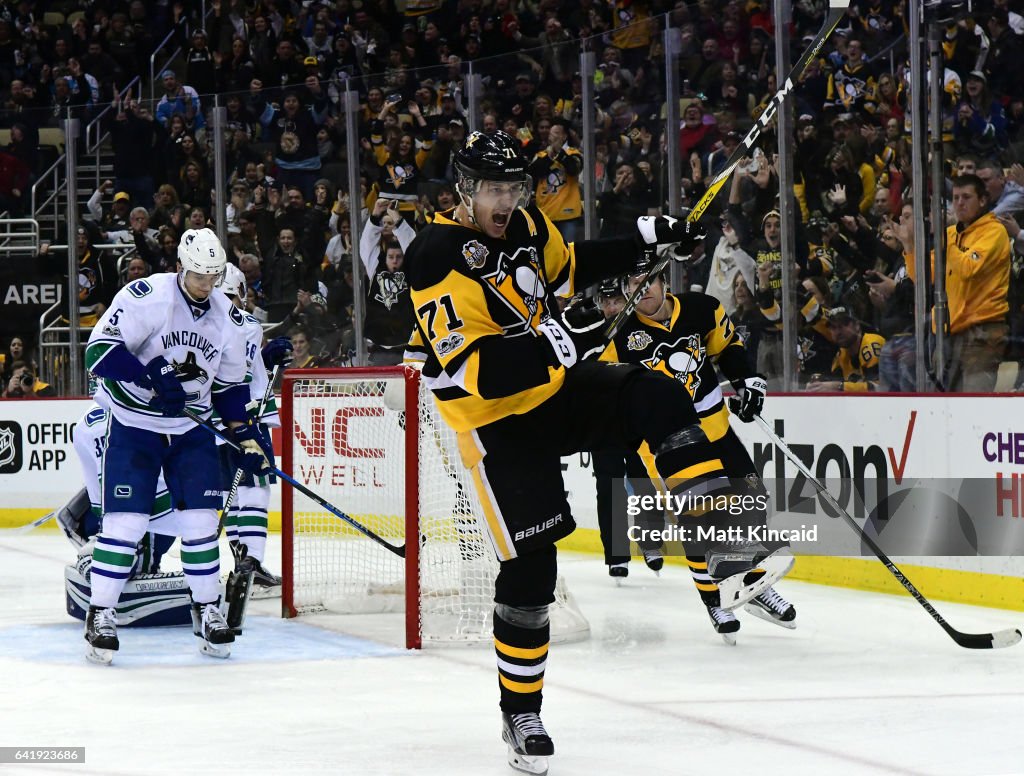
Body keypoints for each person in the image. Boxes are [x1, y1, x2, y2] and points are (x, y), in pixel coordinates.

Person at [403, 130, 780, 774]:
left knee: (656, 397)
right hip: (494, 423)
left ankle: (718, 538)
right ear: (464, 191)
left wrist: (649, 238)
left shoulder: (522, 223)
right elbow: (474, 371)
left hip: (553, 392)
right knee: (531, 569)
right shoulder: (435, 256)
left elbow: (572, 264)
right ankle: (521, 711)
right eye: (494, 188)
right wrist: (558, 339)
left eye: (514, 187)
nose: (507, 199)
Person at [81, 227, 273, 664]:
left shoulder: (226, 315)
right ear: (181, 268)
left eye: (213, 276)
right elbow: (98, 351)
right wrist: (149, 374)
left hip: (192, 429)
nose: (207, 285)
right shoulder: (146, 296)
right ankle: (101, 614)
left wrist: (243, 434)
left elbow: (227, 387)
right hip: (134, 427)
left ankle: (207, 610)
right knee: (126, 525)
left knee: (202, 523)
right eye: (199, 276)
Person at [601, 254, 796, 642]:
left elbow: (726, 349)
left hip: (715, 427)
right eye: (632, 286)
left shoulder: (701, 308)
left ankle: (752, 586)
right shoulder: (618, 337)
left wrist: (748, 381)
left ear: (663, 281)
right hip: (663, 443)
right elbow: (608, 392)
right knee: (701, 517)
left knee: (752, 501)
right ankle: (716, 602)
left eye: (647, 281)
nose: (642, 292)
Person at [217, 265, 291, 630]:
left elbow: (244, 370)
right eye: (223, 295)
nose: (227, 303)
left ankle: (247, 566)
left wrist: (266, 358)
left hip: (243, 415)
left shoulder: (247, 325)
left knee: (248, 493)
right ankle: (250, 565)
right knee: (247, 493)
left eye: (232, 296)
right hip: (231, 418)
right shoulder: (222, 324)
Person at [902, 174, 1011, 391]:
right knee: (939, 404)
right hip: (949, 331)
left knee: (973, 405)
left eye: (966, 197)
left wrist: (944, 239)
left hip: (982, 333)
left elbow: (968, 269)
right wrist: (909, 246)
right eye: (956, 197)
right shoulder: (951, 234)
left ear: (982, 200)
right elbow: (923, 277)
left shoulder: (994, 232)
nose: (960, 203)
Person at [806, 307, 886, 391]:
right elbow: (833, 382)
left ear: (857, 325)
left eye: (843, 325)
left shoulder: (872, 344)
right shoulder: (842, 354)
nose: (838, 332)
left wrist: (839, 386)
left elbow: (878, 388)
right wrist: (819, 384)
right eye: (833, 327)